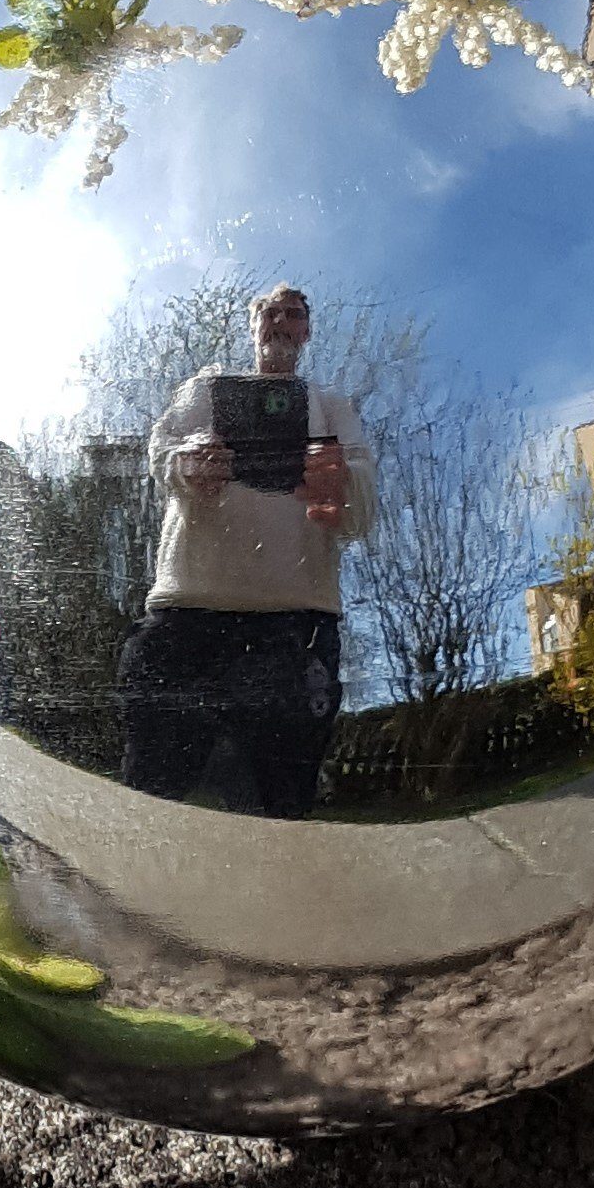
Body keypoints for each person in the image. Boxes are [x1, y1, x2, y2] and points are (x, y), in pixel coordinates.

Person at [117, 284, 376, 816]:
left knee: (283, 806)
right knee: (150, 793)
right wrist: (187, 463)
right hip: (187, 615)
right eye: (270, 313)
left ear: (305, 332)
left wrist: (341, 485)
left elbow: (363, 513)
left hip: (295, 626)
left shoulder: (331, 407)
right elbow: (160, 451)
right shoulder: (206, 390)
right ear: (253, 328)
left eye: (293, 315)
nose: (281, 322)